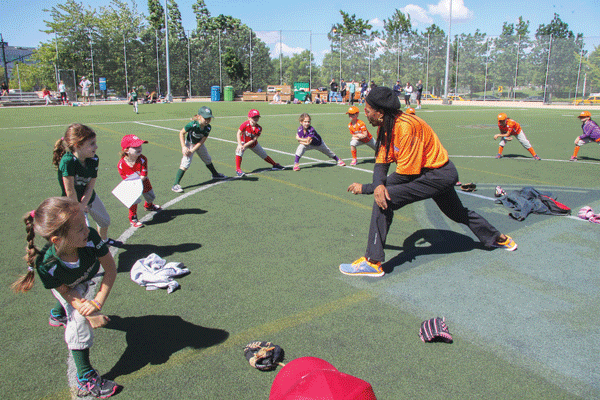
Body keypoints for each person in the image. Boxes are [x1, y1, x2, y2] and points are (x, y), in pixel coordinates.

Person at [339, 86, 517, 277]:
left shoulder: (406, 127)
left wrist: (369, 188)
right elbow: (381, 162)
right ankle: (498, 238)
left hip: (439, 175)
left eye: (367, 111)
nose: (365, 114)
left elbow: (406, 176)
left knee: (384, 200)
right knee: (456, 213)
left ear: (380, 112)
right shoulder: (385, 126)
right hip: (429, 174)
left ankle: (372, 262)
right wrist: (378, 183)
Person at [11, 197, 121, 398]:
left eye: (85, 223)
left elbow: (111, 270)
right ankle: (84, 377)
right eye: (80, 229)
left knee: (80, 300)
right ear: (57, 240)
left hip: (83, 279)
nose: (87, 230)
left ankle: (56, 314)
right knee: (78, 319)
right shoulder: (47, 265)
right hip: (66, 287)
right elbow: (65, 290)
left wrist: (97, 302)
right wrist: (84, 310)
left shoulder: (92, 239)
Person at [52, 123, 119, 247]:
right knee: (83, 232)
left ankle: (103, 241)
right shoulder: (67, 162)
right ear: (77, 146)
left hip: (89, 198)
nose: (96, 146)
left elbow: (90, 186)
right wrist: (79, 208)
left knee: (105, 221)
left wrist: (84, 204)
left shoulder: (93, 159)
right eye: (92, 144)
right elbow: (70, 190)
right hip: (72, 202)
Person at [172, 106, 226, 193]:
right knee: (185, 163)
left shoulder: (208, 127)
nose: (207, 120)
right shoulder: (192, 124)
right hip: (189, 143)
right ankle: (175, 184)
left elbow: (202, 141)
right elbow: (181, 133)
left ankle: (215, 174)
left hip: (199, 145)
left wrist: (193, 150)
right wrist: (184, 147)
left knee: (207, 159)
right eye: (205, 118)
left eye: (209, 118)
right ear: (199, 116)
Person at [117, 134, 161, 227]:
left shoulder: (142, 159)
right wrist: (133, 186)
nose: (139, 148)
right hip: (131, 185)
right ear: (126, 150)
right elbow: (124, 177)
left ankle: (148, 205)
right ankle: (133, 218)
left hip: (144, 182)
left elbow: (144, 175)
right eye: (135, 147)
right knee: (133, 201)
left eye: (140, 145)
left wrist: (138, 182)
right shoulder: (121, 164)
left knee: (151, 196)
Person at [235, 109, 285, 177]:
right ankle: (238, 170)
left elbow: (254, 140)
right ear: (249, 118)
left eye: (257, 117)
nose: (255, 118)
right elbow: (238, 133)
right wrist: (240, 145)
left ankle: (275, 164)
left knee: (263, 154)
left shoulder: (259, 128)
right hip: (243, 142)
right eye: (253, 117)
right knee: (239, 151)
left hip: (253, 144)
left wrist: (245, 145)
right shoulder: (245, 124)